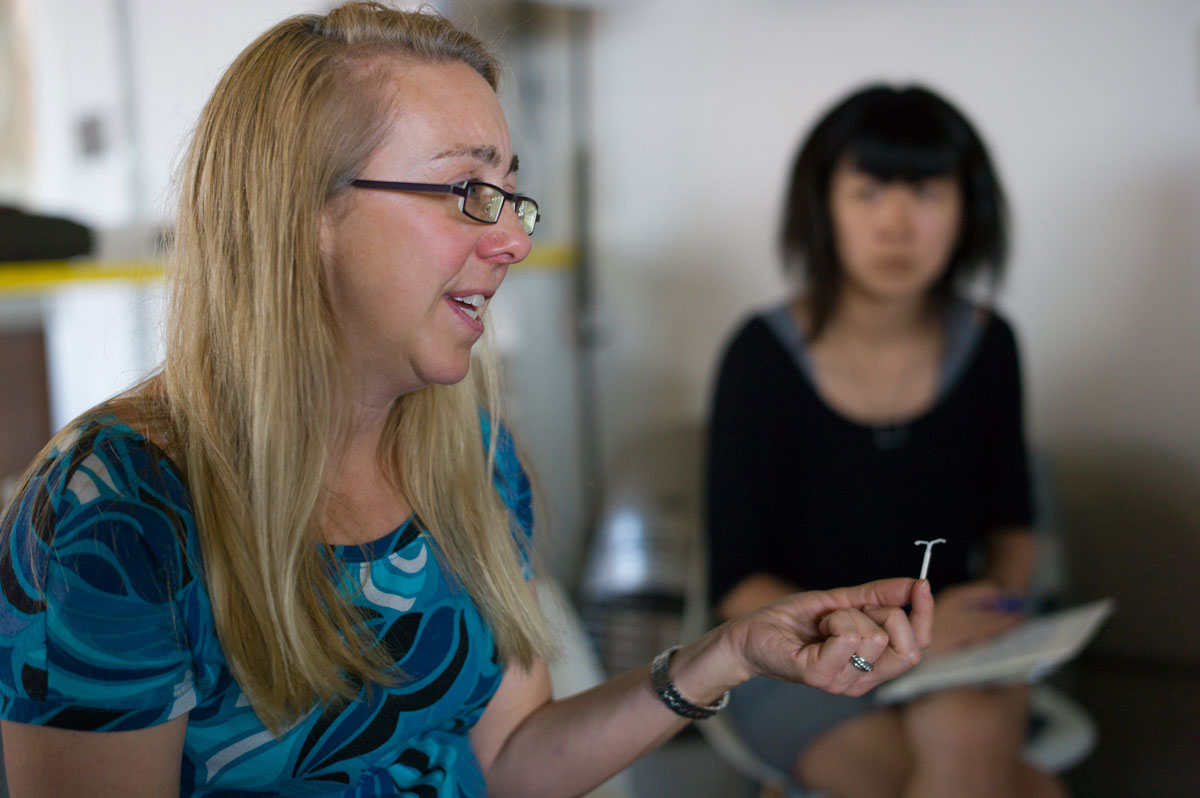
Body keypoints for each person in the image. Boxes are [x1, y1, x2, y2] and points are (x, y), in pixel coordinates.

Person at [0, 6, 933, 796]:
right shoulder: (113, 512)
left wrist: (728, 654)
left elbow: (514, 759)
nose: (513, 242)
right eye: (464, 191)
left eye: (510, 198)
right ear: (301, 214)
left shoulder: (471, 456)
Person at [706, 84, 1067, 797]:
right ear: (824, 207)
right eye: (868, 193)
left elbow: (1013, 524)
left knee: (969, 726)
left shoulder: (990, 345)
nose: (897, 225)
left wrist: (997, 607)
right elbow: (737, 584)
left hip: (951, 652)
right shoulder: (760, 355)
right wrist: (894, 631)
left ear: (968, 210)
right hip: (811, 655)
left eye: (927, 194)